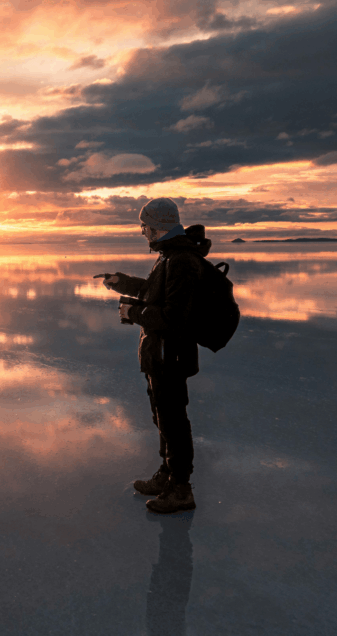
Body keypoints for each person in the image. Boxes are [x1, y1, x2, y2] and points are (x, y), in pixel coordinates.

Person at [102, 198, 202, 514]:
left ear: (156, 224)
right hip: (159, 356)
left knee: (173, 422)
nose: (142, 232)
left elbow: (174, 316)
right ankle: (167, 475)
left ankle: (181, 489)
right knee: (163, 418)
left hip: (170, 357)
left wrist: (133, 312)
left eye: (144, 225)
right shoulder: (168, 256)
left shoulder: (182, 260)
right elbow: (155, 292)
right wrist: (125, 283)